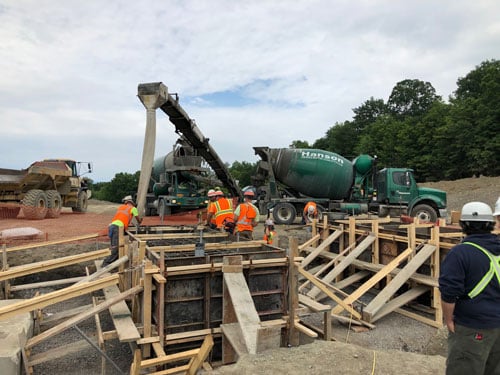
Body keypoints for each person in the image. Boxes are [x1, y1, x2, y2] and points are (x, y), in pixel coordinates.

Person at [438, 201, 500, 375]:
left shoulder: (460, 253)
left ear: (463, 225)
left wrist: (449, 319)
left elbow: (449, 293)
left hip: (472, 327)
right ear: (491, 224)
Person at [102, 195, 142, 267]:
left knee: (114, 247)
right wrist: (140, 221)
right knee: (116, 248)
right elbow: (138, 220)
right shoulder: (133, 208)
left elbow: (122, 218)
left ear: (126, 202)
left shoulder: (121, 207)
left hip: (112, 226)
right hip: (117, 228)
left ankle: (114, 264)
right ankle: (106, 264)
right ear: (132, 202)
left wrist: (127, 223)